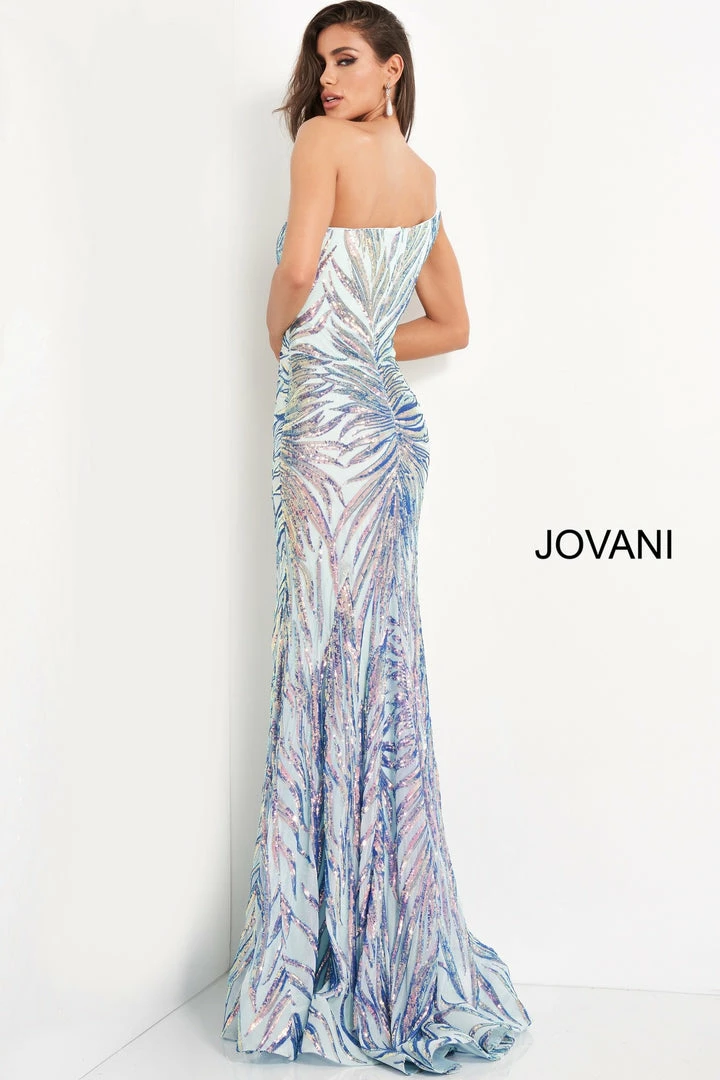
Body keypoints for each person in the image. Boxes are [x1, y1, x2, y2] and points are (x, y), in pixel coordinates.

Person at [221, 3, 532, 1073]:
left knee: (319, 659)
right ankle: (389, 947)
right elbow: (450, 324)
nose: (328, 77)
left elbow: (300, 268)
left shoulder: (320, 144)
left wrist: (286, 332)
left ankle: (315, 955)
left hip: (327, 429)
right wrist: (361, 346)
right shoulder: (423, 179)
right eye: (321, 62)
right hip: (389, 436)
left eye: (347, 58)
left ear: (394, 68)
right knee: (379, 664)